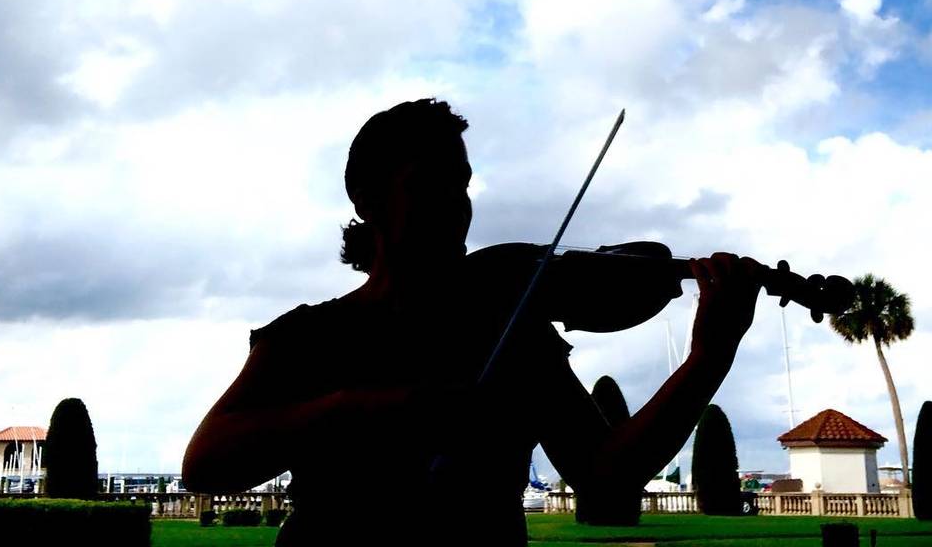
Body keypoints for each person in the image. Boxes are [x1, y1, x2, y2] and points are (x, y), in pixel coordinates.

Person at [182, 99, 762, 546]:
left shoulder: (510, 329)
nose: (453, 203)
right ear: (367, 200)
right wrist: (356, 407)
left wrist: (708, 358)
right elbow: (205, 464)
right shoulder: (311, 335)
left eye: (460, 185)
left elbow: (606, 485)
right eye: (427, 186)